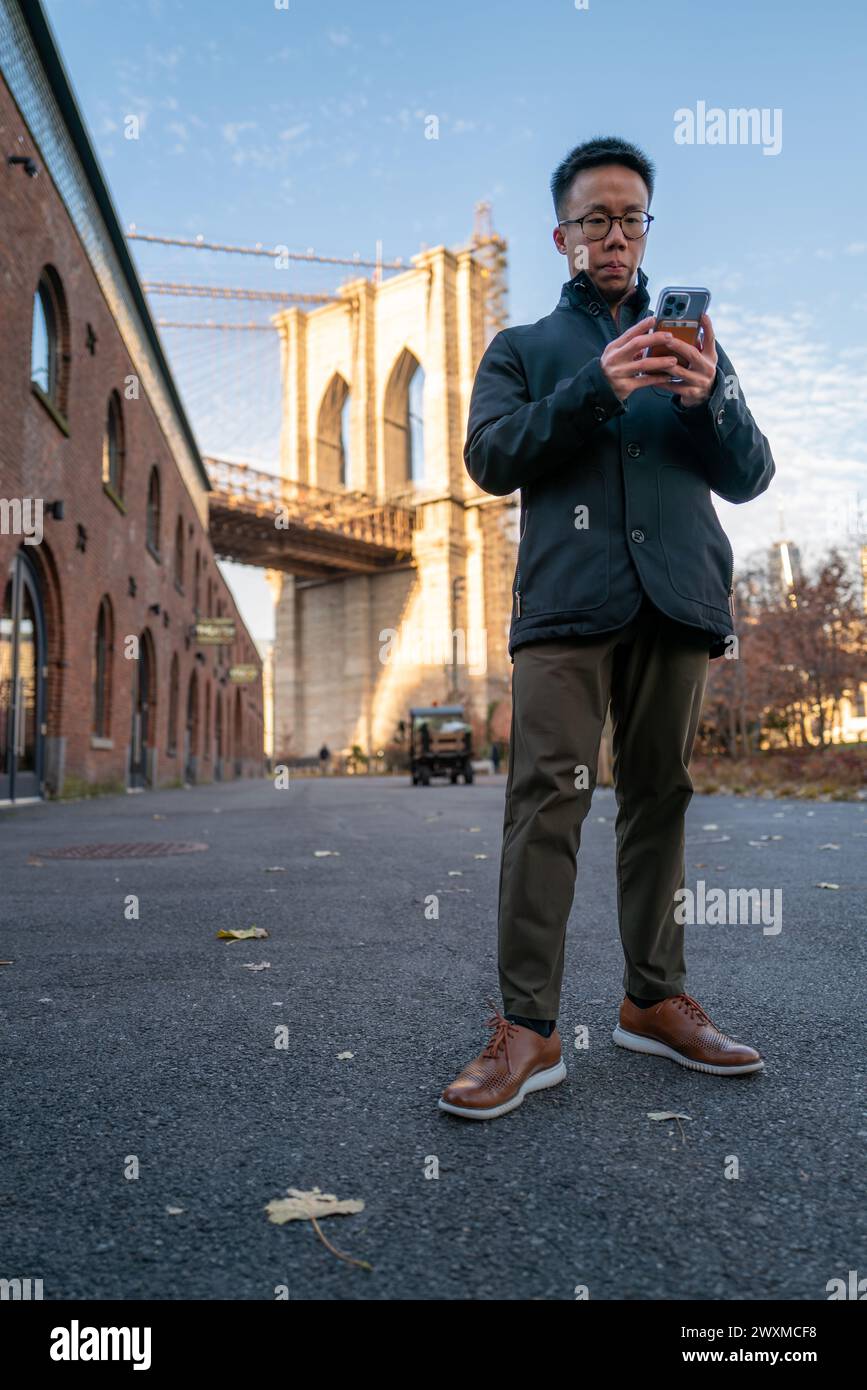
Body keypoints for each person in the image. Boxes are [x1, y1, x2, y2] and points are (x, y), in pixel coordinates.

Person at [439, 136, 774, 1121]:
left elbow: (751, 475)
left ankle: (655, 998)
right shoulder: (523, 350)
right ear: (562, 236)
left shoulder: (697, 349)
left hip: (678, 599)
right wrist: (597, 388)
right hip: (564, 604)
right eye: (596, 219)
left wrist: (713, 397)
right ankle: (528, 1029)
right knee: (547, 798)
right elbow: (491, 458)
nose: (616, 234)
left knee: (661, 798)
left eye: (632, 217)